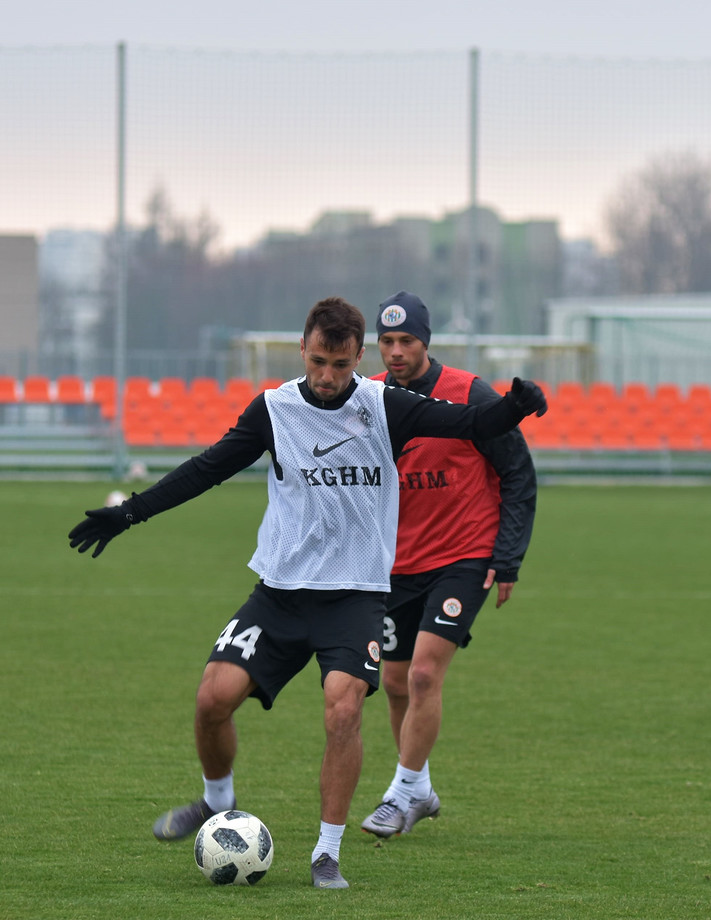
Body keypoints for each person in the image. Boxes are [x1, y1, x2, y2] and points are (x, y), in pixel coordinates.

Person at [68, 296, 547, 890]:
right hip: (279, 593)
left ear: (357, 358)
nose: (327, 377)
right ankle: (218, 802)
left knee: (344, 708)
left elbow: (472, 425)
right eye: (318, 361)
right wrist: (131, 513)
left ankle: (326, 851)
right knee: (212, 698)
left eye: (341, 365)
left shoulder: (384, 405)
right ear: (301, 349)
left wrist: (514, 408)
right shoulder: (274, 409)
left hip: (354, 599)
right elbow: (208, 467)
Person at [361, 291, 538, 839]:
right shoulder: (370, 399)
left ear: (425, 342)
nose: (394, 352)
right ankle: (421, 788)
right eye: (386, 341)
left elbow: (518, 472)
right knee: (392, 683)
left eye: (405, 341)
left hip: (465, 556)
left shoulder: (469, 393)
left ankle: (399, 795)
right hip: (397, 563)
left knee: (421, 672)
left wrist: (506, 558)